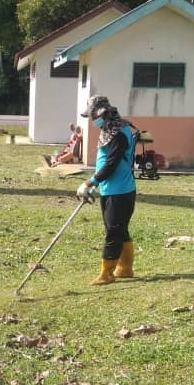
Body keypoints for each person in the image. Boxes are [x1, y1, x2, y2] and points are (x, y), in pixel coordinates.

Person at [77, 94, 136, 285]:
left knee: (113, 231)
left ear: (101, 113)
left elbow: (112, 163)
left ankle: (107, 274)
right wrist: (98, 183)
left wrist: (90, 182)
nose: (93, 120)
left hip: (120, 191)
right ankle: (125, 268)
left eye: (93, 116)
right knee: (119, 230)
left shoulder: (118, 132)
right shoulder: (111, 128)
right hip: (112, 189)